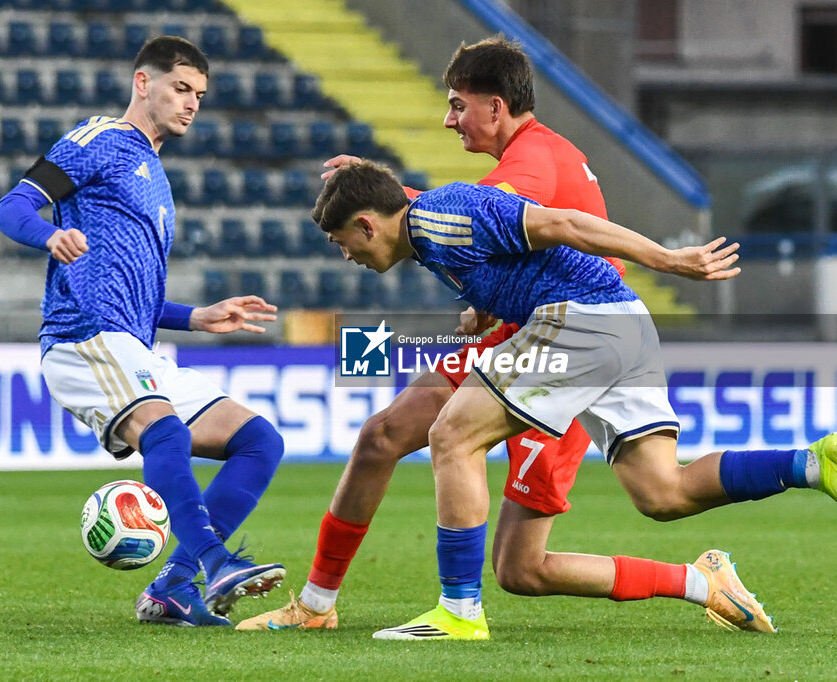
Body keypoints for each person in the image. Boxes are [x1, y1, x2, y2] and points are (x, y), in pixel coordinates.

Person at [299, 160, 837, 640]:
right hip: (622, 324)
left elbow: (564, 225)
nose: (345, 254)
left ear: (368, 224)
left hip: (582, 321)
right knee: (664, 492)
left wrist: (668, 259)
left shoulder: (446, 217)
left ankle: (458, 611)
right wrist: (489, 302)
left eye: (341, 241)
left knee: (453, 437)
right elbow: (512, 261)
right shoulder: (427, 236)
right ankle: (812, 464)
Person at [238, 36, 634, 633]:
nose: (448, 120)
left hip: (566, 346)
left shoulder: (531, 164)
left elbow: (481, 219)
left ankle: (700, 577)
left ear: (495, 107)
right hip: (519, 334)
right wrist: (380, 194)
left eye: (457, 106)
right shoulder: (529, 155)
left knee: (534, 563)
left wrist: (389, 200)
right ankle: (316, 606)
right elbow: (460, 220)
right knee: (382, 436)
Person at [0, 36, 287, 627]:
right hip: (82, 339)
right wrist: (48, 235)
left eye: (199, 94)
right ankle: (215, 560)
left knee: (260, 442)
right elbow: (11, 208)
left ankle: (174, 587)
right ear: (143, 83)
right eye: (181, 88)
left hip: (129, 341)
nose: (192, 103)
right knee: (166, 432)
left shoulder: (152, 169)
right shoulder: (99, 139)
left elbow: (128, 293)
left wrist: (195, 316)